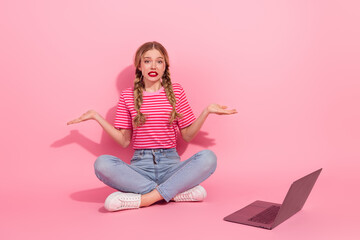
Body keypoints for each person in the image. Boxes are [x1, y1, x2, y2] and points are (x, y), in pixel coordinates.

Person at [67, 41, 237, 211]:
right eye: (147, 61)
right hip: (141, 168)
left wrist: (206, 111)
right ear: (139, 66)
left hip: (171, 165)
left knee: (208, 158)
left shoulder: (176, 92)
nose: (153, 66)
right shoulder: (127, 96)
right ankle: (173, 192)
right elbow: (124, 141)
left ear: (165, 66)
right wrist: (97, 117)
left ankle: (146, 199)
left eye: (159, 61)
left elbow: (187, 135)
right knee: (102, 164)